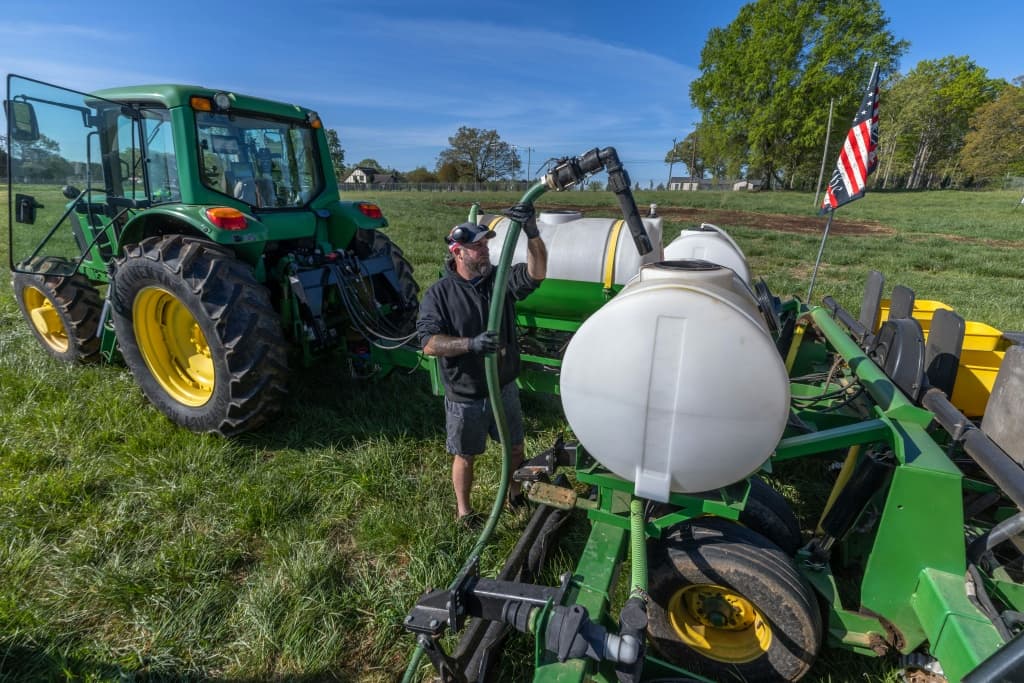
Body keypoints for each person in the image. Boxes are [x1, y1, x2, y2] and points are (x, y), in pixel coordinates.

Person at [417, 203, 548, 528]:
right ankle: (464, 511)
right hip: (466, 394)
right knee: (466, 455)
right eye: (477, 247)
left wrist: (532, 233)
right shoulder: (440, 294)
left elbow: (537, 272)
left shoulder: (498, 279)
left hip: (503, 387)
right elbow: (430, 343)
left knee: (515, 447)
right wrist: (470, 345)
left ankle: (513, 495)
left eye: (486, 245)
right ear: (457, 252)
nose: (484, 251)